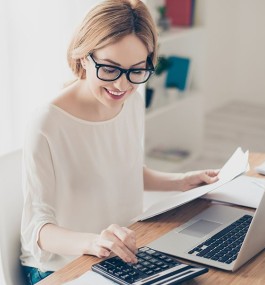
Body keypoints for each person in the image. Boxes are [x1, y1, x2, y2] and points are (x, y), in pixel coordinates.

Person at [19, 1, 219, 284]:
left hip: (121, 259)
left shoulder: (131, 103)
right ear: (84, 56)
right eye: (110, 69)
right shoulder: (48, 123)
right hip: (61, 269)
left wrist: (182, 181)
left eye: (137, 70)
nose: (122, 86)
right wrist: (93, 242)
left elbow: (124, 170)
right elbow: (36, 229)